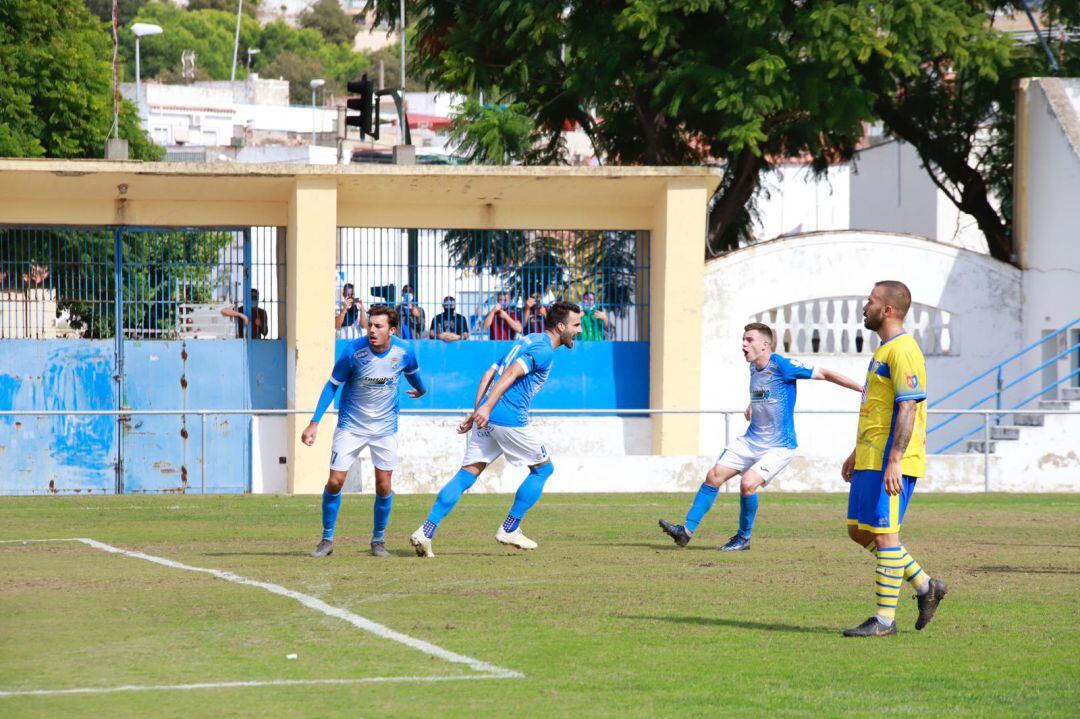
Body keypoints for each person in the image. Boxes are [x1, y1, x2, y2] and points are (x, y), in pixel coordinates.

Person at [659, 322, 862, 551]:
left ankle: (744, 537)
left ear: (765, 345)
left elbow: (825, 373)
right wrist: (751, 404)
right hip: (751, 440)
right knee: (713, 476)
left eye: (749, 340)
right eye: (743, 340)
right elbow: (764, 391)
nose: (743, 344)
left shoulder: (782, 365)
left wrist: (862, 389)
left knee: (748, 484)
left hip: (779, 446)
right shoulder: (753, 367)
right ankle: (685, 532)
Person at [409, 301, 583, 557]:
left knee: (466, 474)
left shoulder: (527, 340)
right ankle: (510, 528)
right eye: (576, 325)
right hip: (509, 418)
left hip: (490, 416)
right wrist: (487, 407)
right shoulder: (544, 349)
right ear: (560, 326)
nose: (579, 330)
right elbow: (511, 372)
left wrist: (478, 410)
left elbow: (489, 373)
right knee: (543, 469)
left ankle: (426, 531)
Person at [840, 281, 947, 637]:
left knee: (886, 537)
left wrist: (895, 460)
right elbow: (879, 408)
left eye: (870, 301)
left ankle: (884, 620)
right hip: (870, 458)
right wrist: (857, 453)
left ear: (887, 310)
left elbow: (907, 407)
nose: (864, 307)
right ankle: (926, 585)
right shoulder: (884, 350)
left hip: (892, 460)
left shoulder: (904, 350)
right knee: (859, 531)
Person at [301, 305, 427, 558]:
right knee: (335, 482)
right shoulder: (353, 352)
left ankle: (378, 540)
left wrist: (421, 389)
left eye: (378, 326)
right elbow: (332, 385)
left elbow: (413, 374)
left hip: (384, 429)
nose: (371, 330)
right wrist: (314, 422)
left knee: (384, 486)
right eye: (370, 325)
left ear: (392, 330)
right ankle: (326, 539)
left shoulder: (404, 351)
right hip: (351, 426)